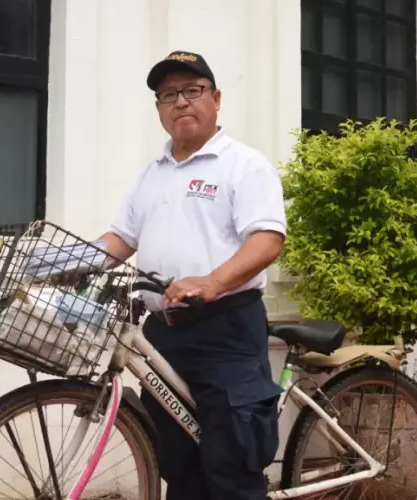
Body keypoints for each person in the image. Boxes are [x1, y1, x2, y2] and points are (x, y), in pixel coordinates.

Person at [97, 50, 287, 500]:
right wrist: (62, 263)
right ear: (159, 109)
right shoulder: (150, 174)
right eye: (168, 95)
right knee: (176, 465)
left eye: (192, 91)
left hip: (226, 332)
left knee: (232, 469)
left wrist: (212, 282)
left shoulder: (243, 164)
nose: (180, 102)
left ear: (215, 99)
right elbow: (120, 240)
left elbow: (267, 239)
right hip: (163, 336)